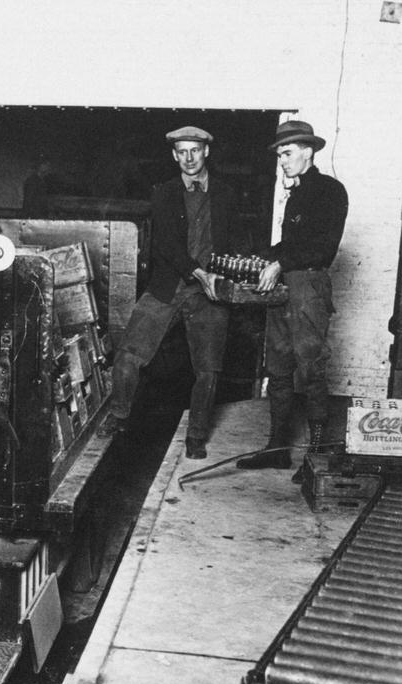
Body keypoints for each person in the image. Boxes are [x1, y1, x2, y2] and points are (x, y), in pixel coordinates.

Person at [98, 126, 243, 459]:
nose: (189, 158)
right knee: (129, 354)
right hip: (169, 285)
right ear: (174, 156)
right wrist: (198, 273)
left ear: (206, 152)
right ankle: (119, 414)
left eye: (195, 150)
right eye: (182, 152)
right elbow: (166, 244)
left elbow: (235, 240)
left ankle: (196, 436)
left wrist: (233, 272)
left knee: (208, 369)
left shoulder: (226, 193)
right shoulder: (163, 193)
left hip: (210, 293)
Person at [238, 119, 349, 479]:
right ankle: (277, 448)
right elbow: (291, 245)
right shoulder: (297, 194)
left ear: (308, 151)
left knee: (311, 368)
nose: (282, 161)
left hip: (308, 289)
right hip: (284, 289)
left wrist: (280, 263)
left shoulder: (330, 191)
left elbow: (323, 248)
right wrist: (259, 258)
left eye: (287, 153)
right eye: (280, 155)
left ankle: (316, 455)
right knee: (278, 367)